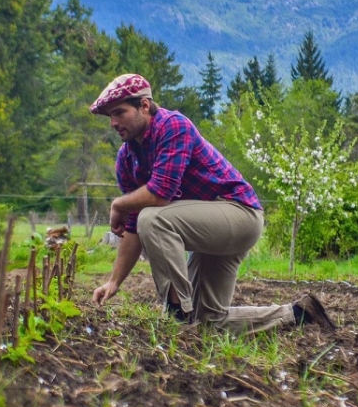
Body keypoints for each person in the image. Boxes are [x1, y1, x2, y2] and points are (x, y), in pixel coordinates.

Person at [89, 73, 335, 334]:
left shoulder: (172, 126)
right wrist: (114, 282)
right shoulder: (126, 158)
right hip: (205, 226)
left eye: (119, 113)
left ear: (145, 106)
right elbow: (133, 228)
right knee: (209, 321)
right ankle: (299, 314)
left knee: (152, 217)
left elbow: (159, 195)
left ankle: (177, 317)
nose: (113, 123)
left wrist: (118, 204)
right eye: (109, 117)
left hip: (239, 215)